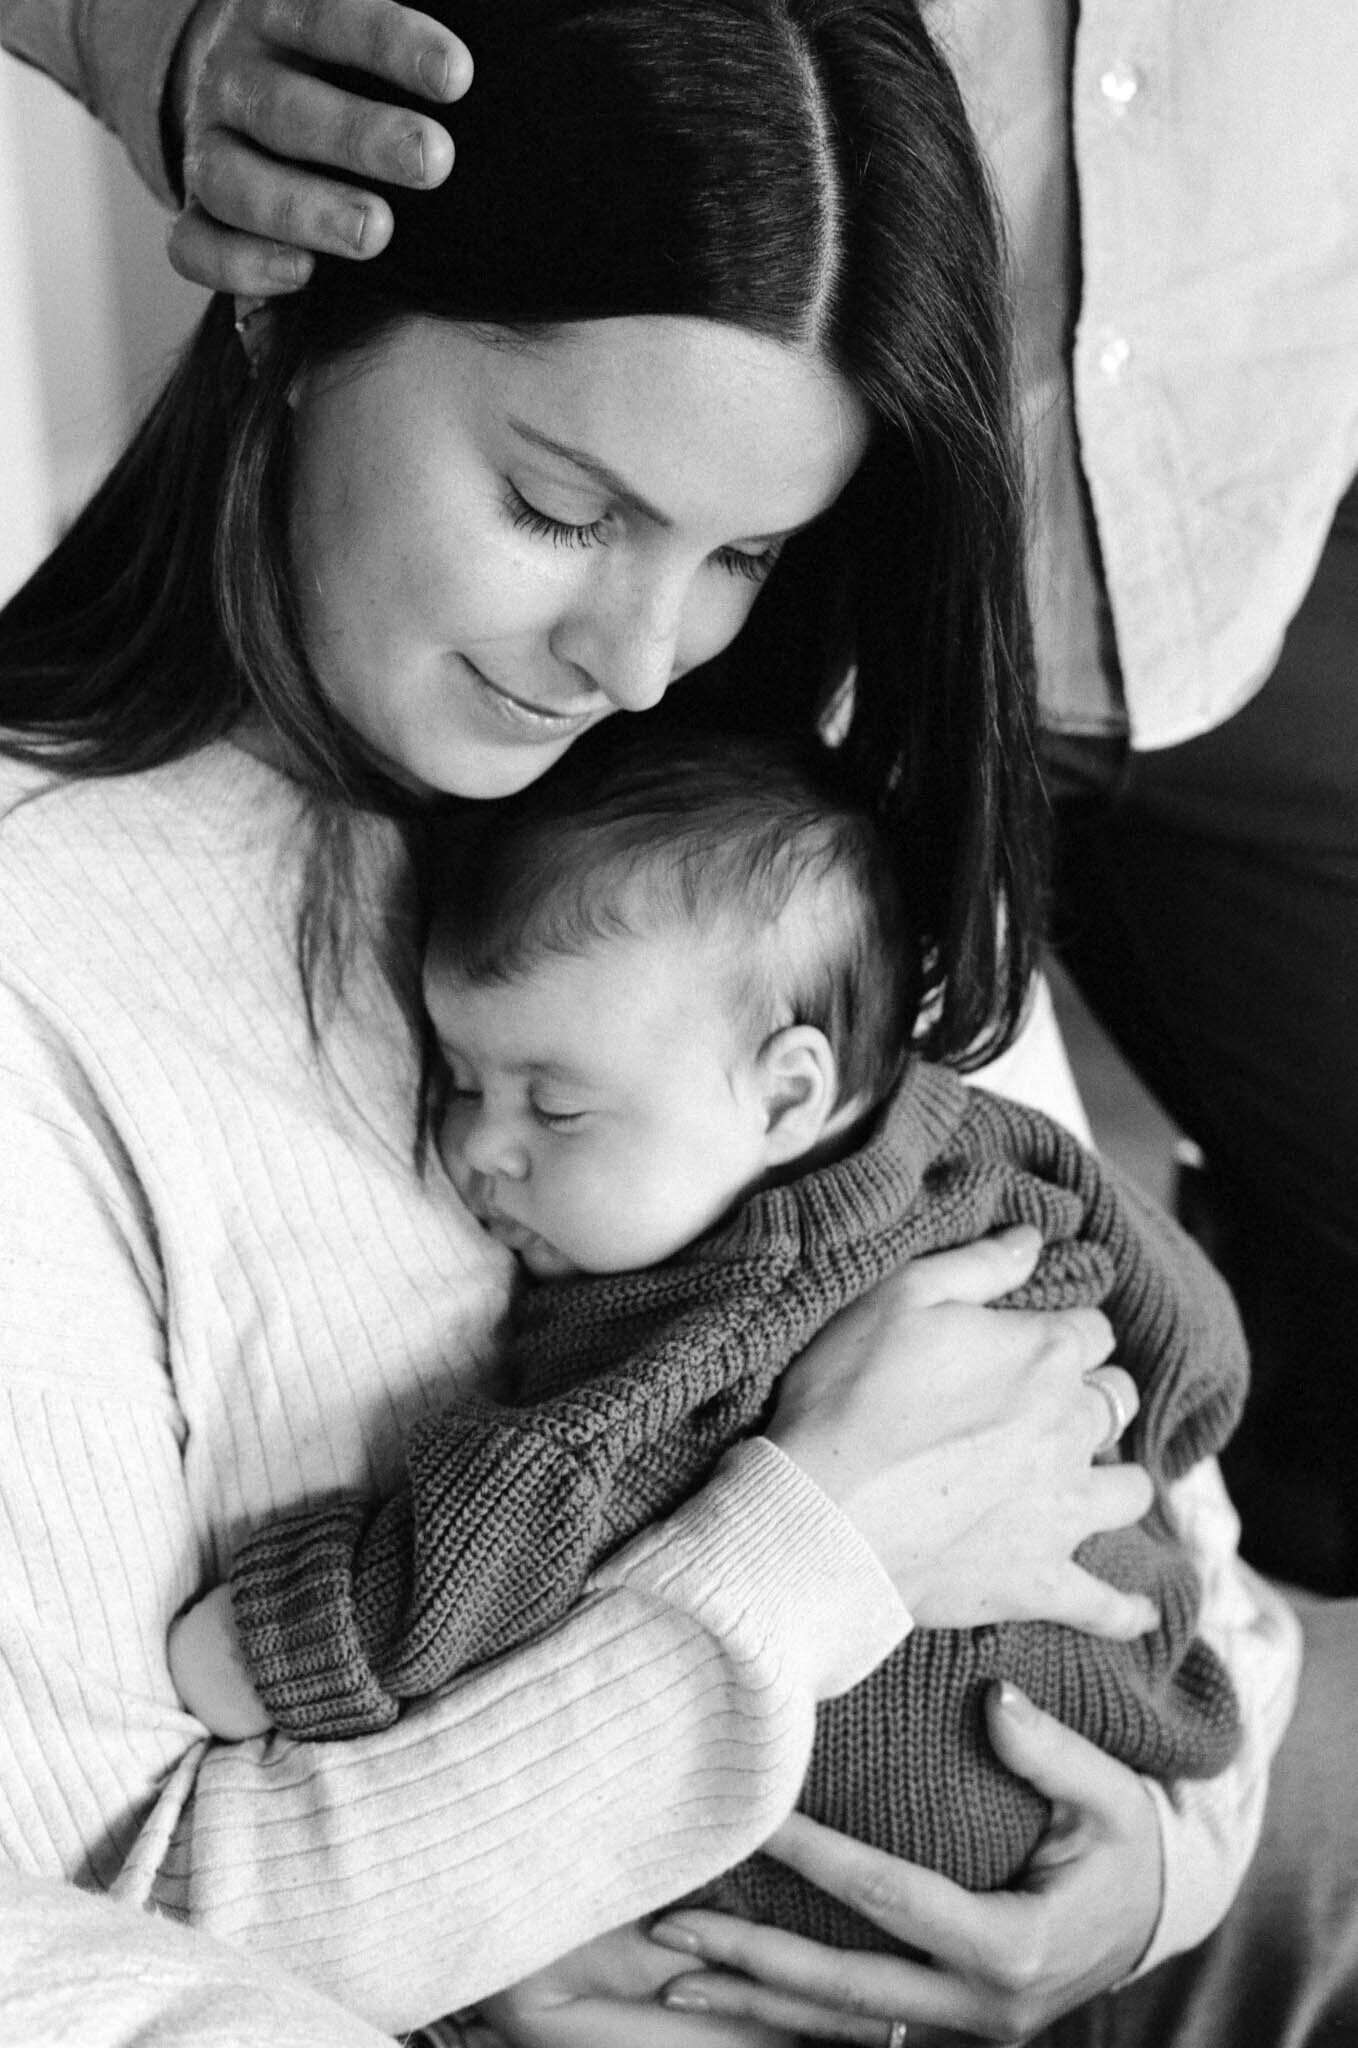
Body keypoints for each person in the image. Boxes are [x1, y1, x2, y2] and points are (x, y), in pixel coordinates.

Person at [0, 4, 1345, 2045]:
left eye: (740, 553)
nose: (634, 655)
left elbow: (1190, 1560)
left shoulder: (752, 822)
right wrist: (802, 1555)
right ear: (290, 322)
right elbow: (103, 1907)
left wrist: (1152, 1874)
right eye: (558, 505)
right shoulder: (53, 959)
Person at [167, 720, 1248, 1956]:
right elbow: (1193, 1338)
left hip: (892, 1847)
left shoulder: (703, 1320)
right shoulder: (1002, 1151)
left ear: (785, 1092)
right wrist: (1145, 1443)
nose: (477, 1144)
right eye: (459, 1077)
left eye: (553, 1104)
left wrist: (279, 1639)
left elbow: (530, 1503)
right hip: (1122, 1733)